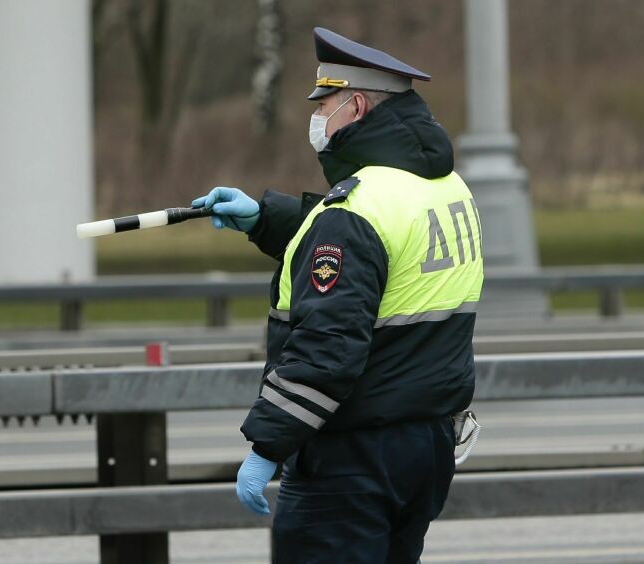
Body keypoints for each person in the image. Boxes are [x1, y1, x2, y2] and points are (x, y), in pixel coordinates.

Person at [192, 27, 484, 564]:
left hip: (354, 459)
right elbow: (381, 259)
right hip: (426, 445)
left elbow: (327, 346)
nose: (317, 116)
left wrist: (266, 446)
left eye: (323, 102)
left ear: (355, 106)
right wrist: (266, 219)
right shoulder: (444, 187)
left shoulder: (356, 209)